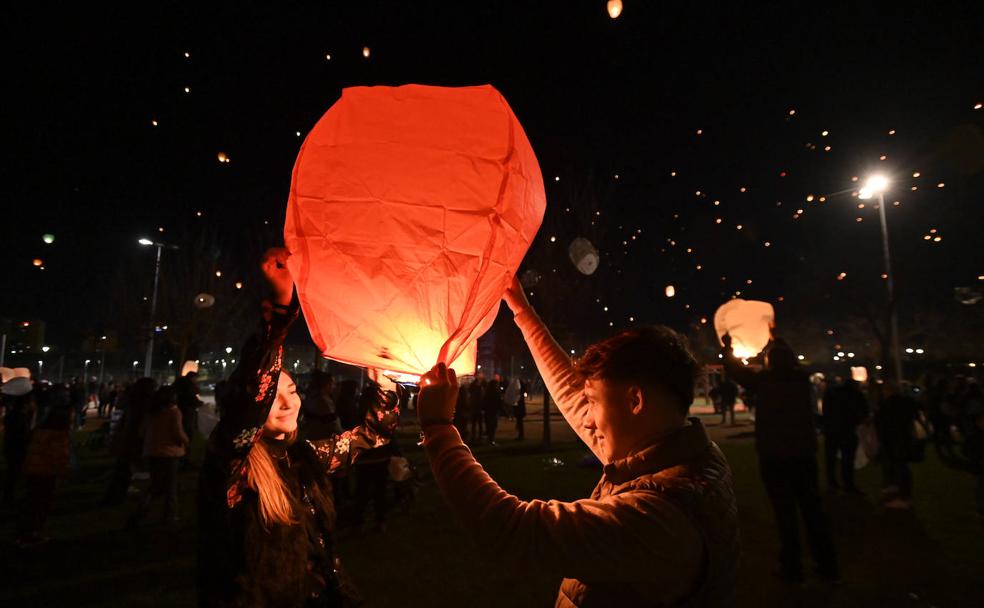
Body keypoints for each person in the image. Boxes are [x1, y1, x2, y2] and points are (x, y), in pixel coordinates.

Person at [417, 277, 739, 607]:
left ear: (635, 401)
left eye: (595, 402)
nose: (585, 420)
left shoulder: (656, 520)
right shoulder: (677, 455)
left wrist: (438, 426)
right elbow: (573, 395)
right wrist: (522, 310)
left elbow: (509, 529)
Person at [197, 248, 399, 607]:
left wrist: (384, 384)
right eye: (274, 397)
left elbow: (370, 436)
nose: (289, 403)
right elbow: (255, 393)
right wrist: (281, 305)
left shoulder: (304, 458)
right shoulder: (233, 466)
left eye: (292, 390)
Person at [722, 334, 838, 583]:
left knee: (785, 511)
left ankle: (792, 566)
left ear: (770, 363)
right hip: (804, 454)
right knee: (813, 509)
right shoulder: (802, 380)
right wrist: (779, 338)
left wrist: (727, 347)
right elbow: (788, 359)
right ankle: (827, 565)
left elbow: (734, 370)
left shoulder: (765, 381)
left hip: (775, 456)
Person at [16, 382, 72, 546]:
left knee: (31, 501)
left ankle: (24, 531)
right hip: (46, 472)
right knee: (41, 505)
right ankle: (31, 534)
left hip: (34, 470)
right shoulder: (57, 436)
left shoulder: (40, 432)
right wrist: (64, 470)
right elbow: (58, 456)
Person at [129, 385, 189, 526]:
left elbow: (141, 432)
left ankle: (142, 510)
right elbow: (177, 433)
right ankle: (171, 516)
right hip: (170, 453)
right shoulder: (174, 412)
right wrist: (186, 441)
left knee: (155, 485)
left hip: (152, 452)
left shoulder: (151, 412)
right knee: (171, 487)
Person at [103, 378, 156, 505]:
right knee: (127, 469)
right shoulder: (145, 403)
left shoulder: (132, 400)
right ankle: (117, 496)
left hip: (126, 438)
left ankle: (115, 494)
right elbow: (141, 423)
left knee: (122, 468)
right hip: (134, 439)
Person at [822, 376, 869, 493]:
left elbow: (825, 410)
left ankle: (832, 482)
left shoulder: (831, 393)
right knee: (847, 459)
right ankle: (848, 483)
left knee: (831, 458)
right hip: (848, 430)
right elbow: (863, 412)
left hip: (832, 430)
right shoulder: (857, 395)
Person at [875, 382, 918, 509]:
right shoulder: (906, 402)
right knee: (901, 466)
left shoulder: (888, 404)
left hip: (894, 439)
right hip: (903, 438)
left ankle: (905, 497)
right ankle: (900, 490)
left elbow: (882, 421)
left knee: (900, 467)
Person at [2, 376, 36, 507]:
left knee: (13, 473)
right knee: (14, 473)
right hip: (17, 447)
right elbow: (21, 433)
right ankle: (9, 498)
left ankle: (9, 496)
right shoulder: (18, 415)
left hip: (13, 446)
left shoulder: (15, 413)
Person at [301, 371, 342, 440]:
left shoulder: (311, 397)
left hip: (311, 436)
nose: (334, 386)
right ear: (326, 384)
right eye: (333, 383)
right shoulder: (323, 401)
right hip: (320, 439)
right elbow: (333, 424)